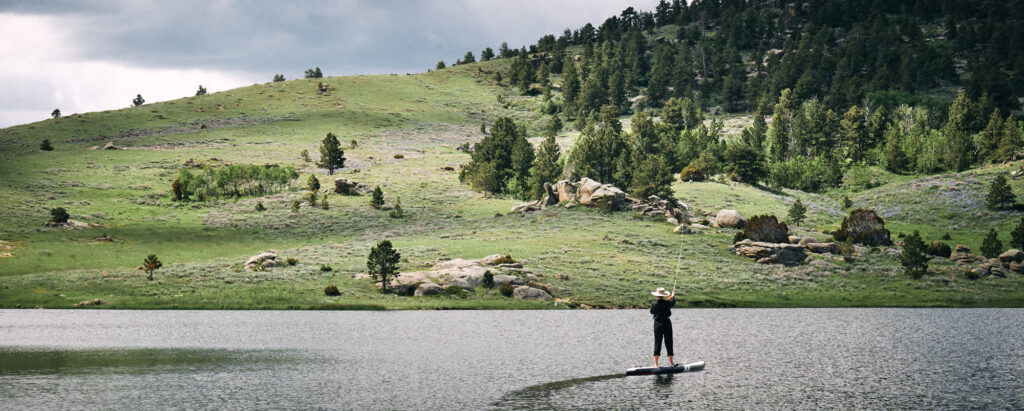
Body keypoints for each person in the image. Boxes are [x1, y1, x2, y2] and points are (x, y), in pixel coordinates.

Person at [650, 287, 675, 367]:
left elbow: (651, 311)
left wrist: (670, 299)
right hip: (666, 323)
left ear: (657, 295)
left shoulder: (654, 303)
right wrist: (672, 297)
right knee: (669, 342)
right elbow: (672, 303)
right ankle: (671, 363)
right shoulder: (667, 303)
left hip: (657, 324)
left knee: (657, 342)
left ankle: (656, 364)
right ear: (663, 295)